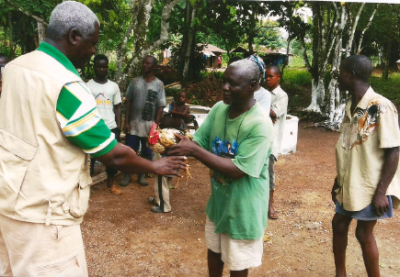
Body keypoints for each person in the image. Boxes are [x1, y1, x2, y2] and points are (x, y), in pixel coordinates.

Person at [0, 2, 186, 276]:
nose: (94, 51)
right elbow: (111, 154)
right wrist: (155, 167)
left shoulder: (15, 68)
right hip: (46, 217)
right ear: (74, 36)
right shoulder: (67, 85)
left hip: (10, 202)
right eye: (92, 43)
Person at [168, 59, 274, 277]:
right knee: (214, 251)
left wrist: (194, 151)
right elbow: (199, 141)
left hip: (243, 209)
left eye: (232, 84)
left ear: (253, 85)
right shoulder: (219, 109)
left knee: (237, 264)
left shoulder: (260, 124)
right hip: (218, 203)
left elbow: (238, 169)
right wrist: (172, 144)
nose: (225, 88)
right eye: (224, 81)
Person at [332, 55, 400, 277]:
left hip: (372, 185)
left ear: (351, 75)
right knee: (339, 224)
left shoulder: (381, 107)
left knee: (363, 233)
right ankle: (340, 274)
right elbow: (348, 145)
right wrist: (338, 181)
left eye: (341, 72)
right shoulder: (352, 105)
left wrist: (381, 193)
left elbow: (394, 151)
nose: (338, 76)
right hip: (351, 183)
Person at [120, 55, 166, 187]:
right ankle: (127, 175)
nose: (144, 65)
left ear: (154, 67)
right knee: (129, 151)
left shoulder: (159, 84)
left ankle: (141, 175)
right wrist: (126, 122)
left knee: (147, 152)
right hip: (134, 123)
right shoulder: (135, 82)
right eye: (143, 63)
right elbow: (128, 102)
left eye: (148, 63)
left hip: (148, 126)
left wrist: (155, 126)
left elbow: (160, 107)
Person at [86, 54, 122, 195]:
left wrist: (118, 127)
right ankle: (87, 185)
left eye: (104, 67)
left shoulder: (113, 86)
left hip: (110, 127)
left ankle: (110, 184)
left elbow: (117, 107)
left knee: (111, 158)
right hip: (94, 127)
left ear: (107, 68)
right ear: (94, 68)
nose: (102, 69)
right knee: (90, 158)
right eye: (99, 66)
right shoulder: (88, 85)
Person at [265, 65, 288, 220]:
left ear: (278, 77)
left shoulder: (281, 96)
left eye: (270, 76)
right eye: (266, 76)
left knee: (269, 173)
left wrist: (260, 104)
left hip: (271, 142)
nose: (267, 79)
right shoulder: (263, 93)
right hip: (259, 139)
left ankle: (270, 206)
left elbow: (274, 113)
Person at [148, 116, 178, 213]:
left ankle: (164, 206)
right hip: (174, 164)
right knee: (166, 184)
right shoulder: (177, 134)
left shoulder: (161, 134)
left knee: (161, 185)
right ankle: (158, 199)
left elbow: (151, 145)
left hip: (163, 165)